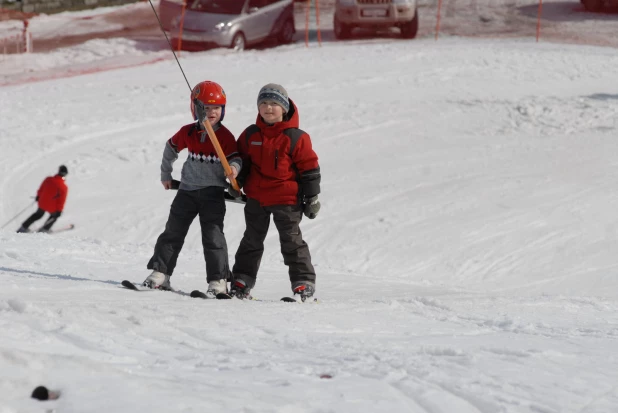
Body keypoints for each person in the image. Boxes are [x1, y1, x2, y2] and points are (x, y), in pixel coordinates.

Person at [142, 80, 241, 298]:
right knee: (172, 233)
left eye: (217, 108)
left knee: (213, 238)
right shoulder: (188, 132)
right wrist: (166, 175)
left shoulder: (224, 136)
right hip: (186, 192)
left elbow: (236, 158)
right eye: (206, 107)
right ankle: (160, 273)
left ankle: (218, 281)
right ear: (196, 109)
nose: (212, 112)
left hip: (212, 194)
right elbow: (170, 148)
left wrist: (233, 169)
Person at [229, 83, 321, 301]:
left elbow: (309, 168)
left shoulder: (296, 137)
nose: (268, 108)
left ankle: (303, 283)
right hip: (257, 199)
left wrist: (312, 197)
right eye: (263, 103)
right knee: (251, 240)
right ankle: (241, 281)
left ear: (284, 108)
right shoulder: (251, 134)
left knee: (291, 241)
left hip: (286, 200)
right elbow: (242, 161)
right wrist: (236, 183)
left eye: (273, 103)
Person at [17, 165, 69, 233]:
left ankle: (23, 227)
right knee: (54, 217)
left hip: (42, 203)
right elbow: (61, 201)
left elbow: (41, 189)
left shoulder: (48, 179)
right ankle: (44, 229)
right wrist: (59, 210)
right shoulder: (63, 187)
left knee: (38, 215)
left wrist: (38, 196)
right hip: (52, 207)